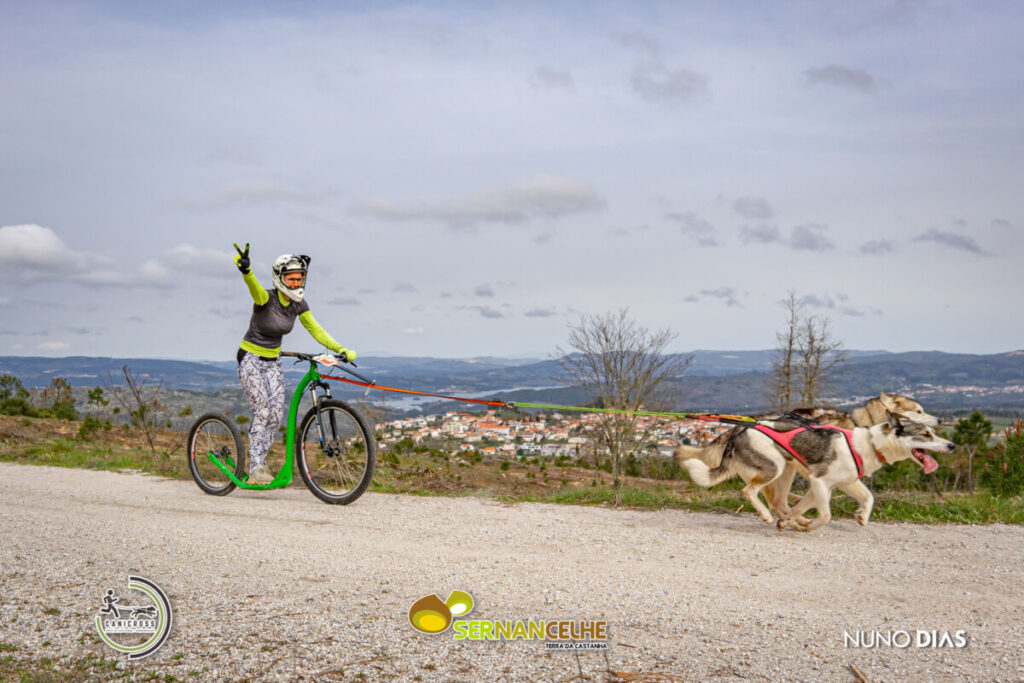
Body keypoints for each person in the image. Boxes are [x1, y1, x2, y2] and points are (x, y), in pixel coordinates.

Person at [232, 243, 356, 485]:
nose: (297, 284)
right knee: (263, 411)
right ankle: (256, 466)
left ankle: (262, 462)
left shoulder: (299, 304)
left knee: (276, 415)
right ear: (280, 278)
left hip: (273, 361)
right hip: (250, 359)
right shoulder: (265, 298)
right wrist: (246, 272)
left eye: (300, 279)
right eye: (292, 279)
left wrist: (340, 348)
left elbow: (316, 330)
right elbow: (254, 289)